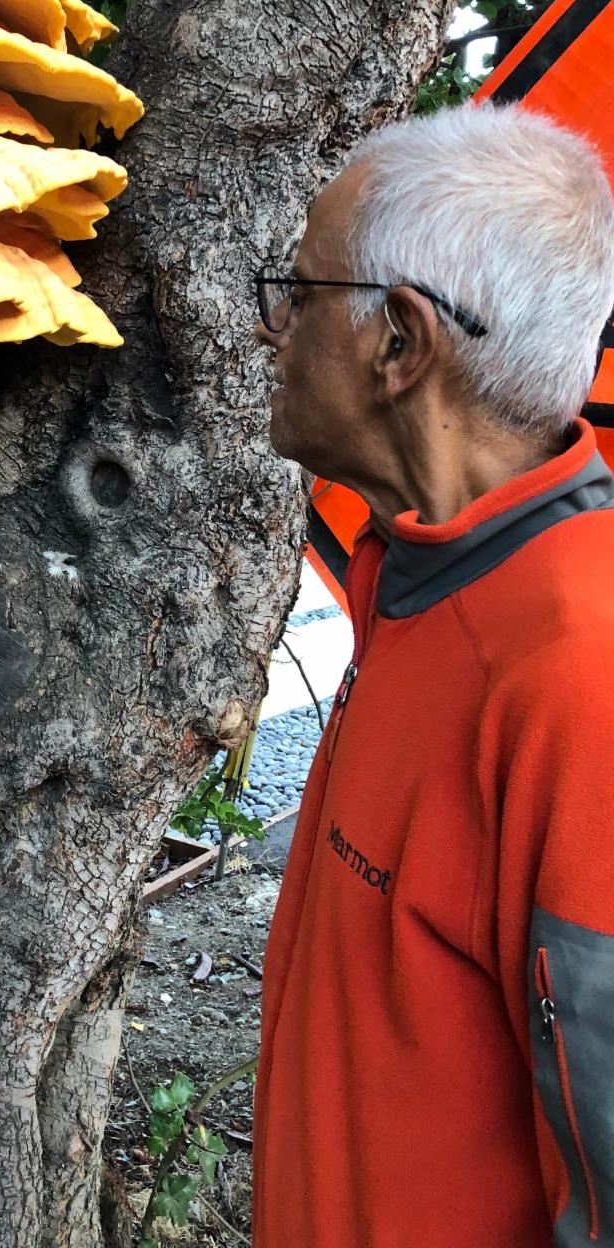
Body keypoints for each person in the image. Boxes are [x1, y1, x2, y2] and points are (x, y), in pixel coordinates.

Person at [250, 99, 614, 1248]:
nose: (271, 331)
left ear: (400, 344)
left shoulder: (577, 677)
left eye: (297, 295)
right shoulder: (412, 567)